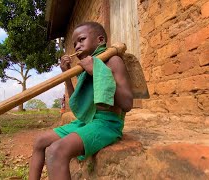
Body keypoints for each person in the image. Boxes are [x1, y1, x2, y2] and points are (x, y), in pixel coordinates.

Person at [28, 22, 133, 180]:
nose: (77, 46)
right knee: (40, 141)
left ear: (100, 40)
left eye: (82, 39)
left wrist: (96, 72)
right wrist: (67, 74)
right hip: (87, 122)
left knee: (56, 151)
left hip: (107, 124)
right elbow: (77, 102)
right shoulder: (85, 69)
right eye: (75, 43)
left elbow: (127, 104)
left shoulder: (113, 61)